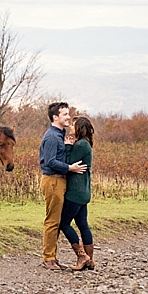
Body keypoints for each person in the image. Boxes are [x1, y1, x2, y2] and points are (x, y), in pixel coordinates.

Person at [39, 101, 87, 270]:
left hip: (60, 180)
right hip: (53, 180)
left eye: (68, 114)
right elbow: (51, 161)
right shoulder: (52, 137)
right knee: (52, 221)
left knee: (58, 220)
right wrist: (70, 168)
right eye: (65, 114)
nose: (68, 117)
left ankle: (53, 256)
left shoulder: (60, 135)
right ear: (55, 117)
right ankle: (48, 258)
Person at [60, 115, 95, 271]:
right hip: (84, 191)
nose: (70, 127)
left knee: (64, 223)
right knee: (82, 225)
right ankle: (90, 260)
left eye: (73, 125)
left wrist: (67, 146)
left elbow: (68, 163)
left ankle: (82, 257)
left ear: (79, 128)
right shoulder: (85, 144)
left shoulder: (81, 144)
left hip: (75, 191)